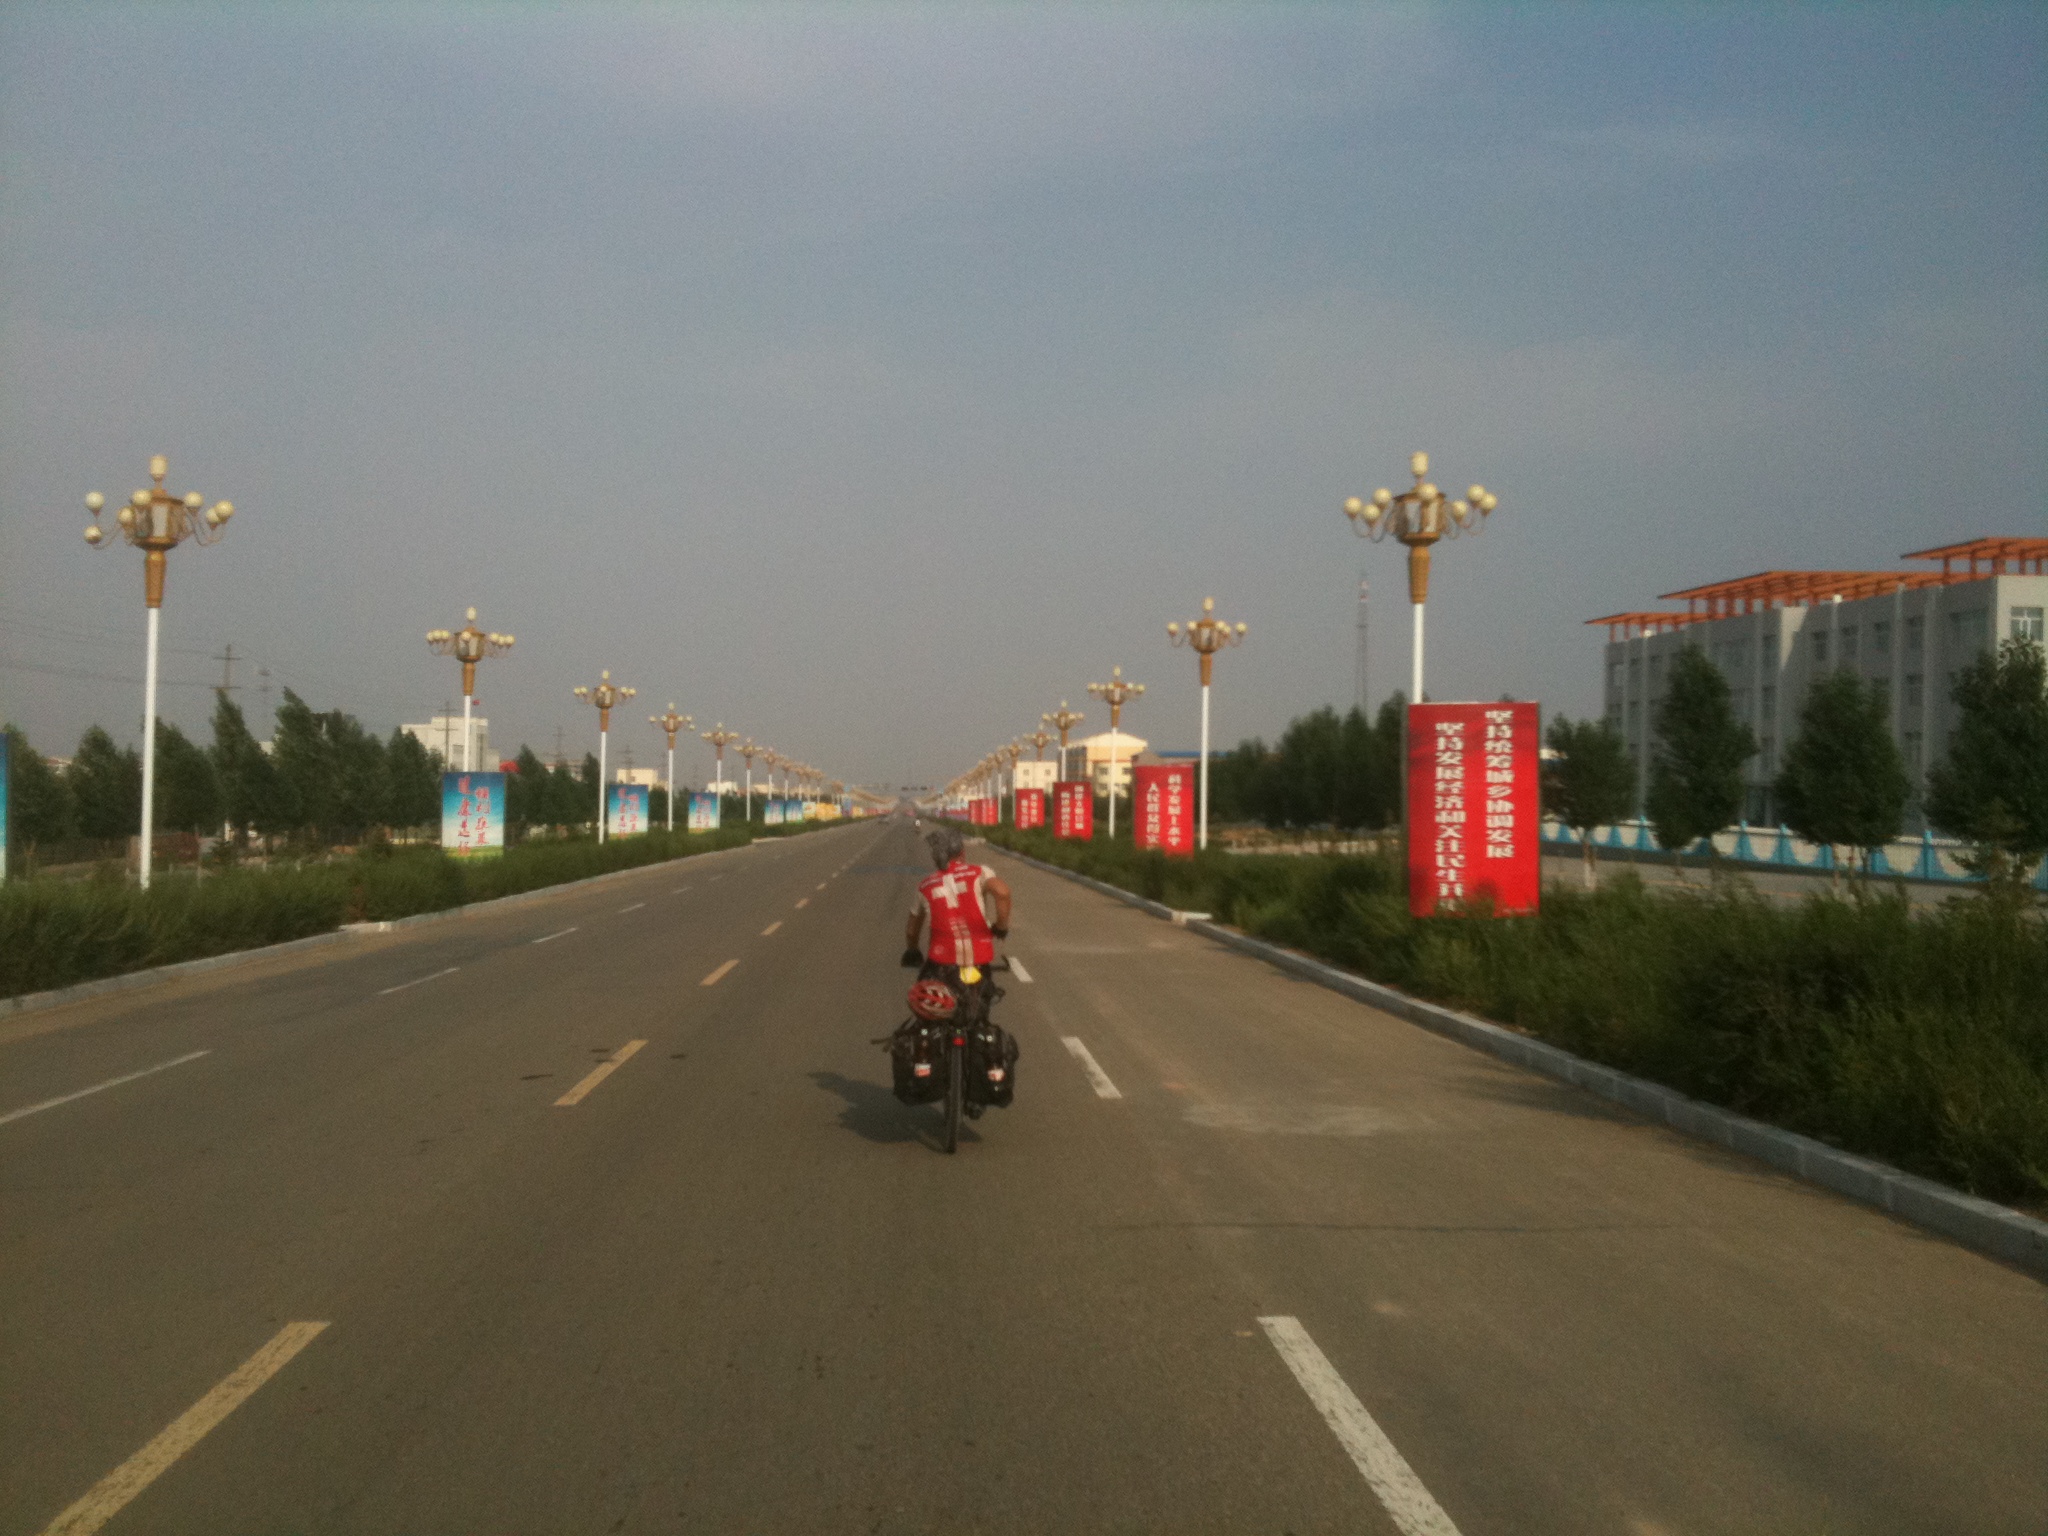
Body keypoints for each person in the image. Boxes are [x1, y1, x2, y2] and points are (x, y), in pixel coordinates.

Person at [902, 823, 1011, 982]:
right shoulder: (980, 872)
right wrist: (1001, 927)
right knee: (984, 989)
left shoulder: (925, 886)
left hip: (941, 960)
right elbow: (1002, 892)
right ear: (962, 853)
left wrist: (912, 950)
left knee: (923, 993)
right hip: (979, 958)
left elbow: (912, 932)